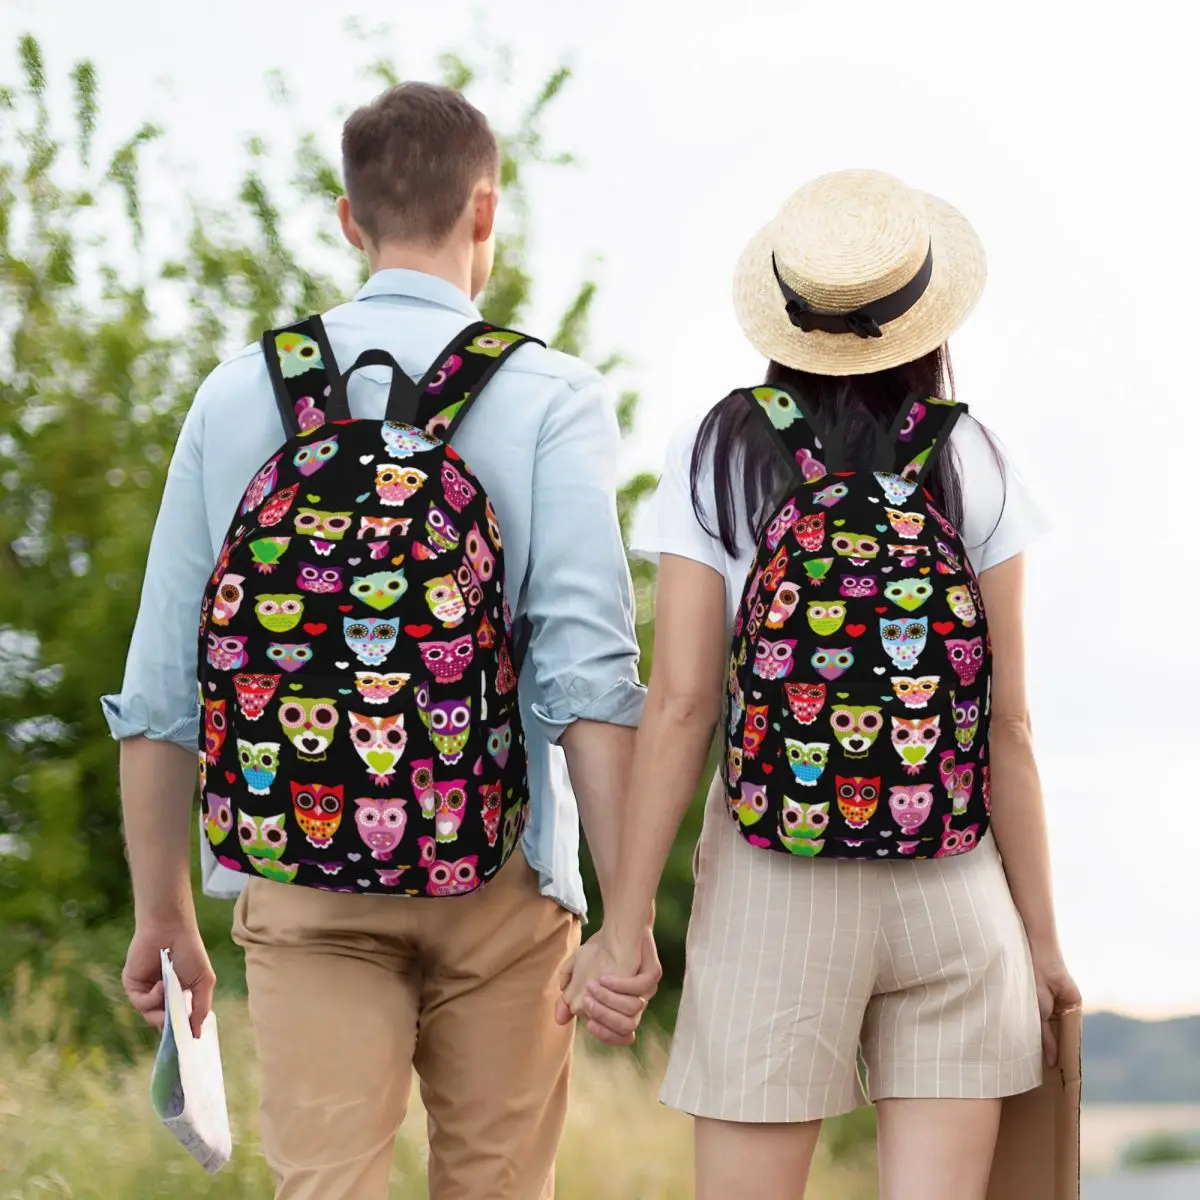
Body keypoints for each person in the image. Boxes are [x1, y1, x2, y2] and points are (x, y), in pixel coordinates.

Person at [104, 81, 660, 1200]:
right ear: (486, 213)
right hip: (501, 873)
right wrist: (627, 914)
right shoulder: (551, 394)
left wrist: (163, 912)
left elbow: (164, 682)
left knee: (326, 1186)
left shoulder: (236, 395)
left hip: (300, 868)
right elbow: (588, 679)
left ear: (350, 220)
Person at [560, 169, 1081, 1200]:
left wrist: (623, 927)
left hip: (773, 883)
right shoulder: (973, 456)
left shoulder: (718, 450)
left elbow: (682, 706)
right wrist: (1043, 943)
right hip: (955, 883)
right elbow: (1008, 724)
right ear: (926, 317)